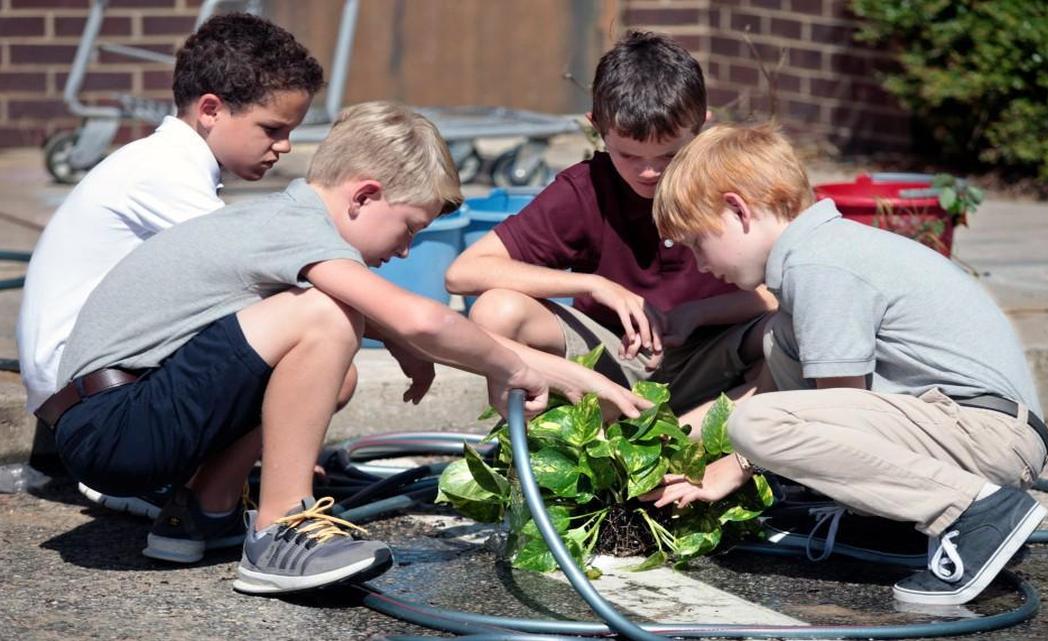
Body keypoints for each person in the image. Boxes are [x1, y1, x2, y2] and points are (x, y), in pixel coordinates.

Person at [40, 101, 649, 595]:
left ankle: (203, 511)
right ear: (363, 196)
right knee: (329, 318)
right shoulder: (295, 230)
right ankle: (281, 532)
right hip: (112, 426)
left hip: (115, 420)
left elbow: (415, 330)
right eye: (410, 227)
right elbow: (421, 318)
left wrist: (582, 376)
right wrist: (515, 366)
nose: (408, 250)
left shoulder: (280, 225)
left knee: (337, 371)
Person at [642, 122, 1048, 606]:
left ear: (738, 209)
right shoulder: (815, 258)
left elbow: (832, 410)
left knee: (757, 427)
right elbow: (768, 391)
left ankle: (977, 512)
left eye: (696, 243)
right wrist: (660, 440)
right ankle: (895, 521)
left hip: (985, 435)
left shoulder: (820, 267)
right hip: (967, 425)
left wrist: (742, 461)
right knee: (774, 357)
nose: (700, 264)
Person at [16, 12, 324, 513]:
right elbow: (259, 277)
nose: (284, 145)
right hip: (95, 399)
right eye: (272, 128)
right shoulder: (163, 173)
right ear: (210, 110)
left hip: (90, 381)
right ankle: (194, 496)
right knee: (307, 331)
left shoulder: (161, 162)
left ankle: (196, 482)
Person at [445, 31, 778, 425]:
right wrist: (593, 285)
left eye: (670, 154)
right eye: (629, 155)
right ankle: (540, 443)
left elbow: (782, 295)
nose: (650, 171)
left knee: (788, 332)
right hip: (611, 360)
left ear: (702, 127)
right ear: (596, 128)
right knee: (496, 309)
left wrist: (697, 314)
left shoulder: (737, 182)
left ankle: (719, 442)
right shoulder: (586, 188)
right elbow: (463, 273)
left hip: (719, 358)